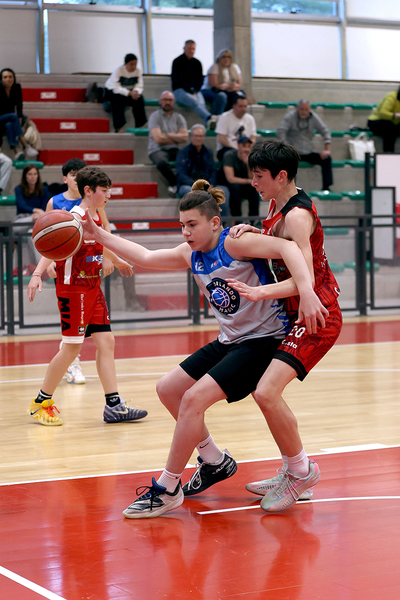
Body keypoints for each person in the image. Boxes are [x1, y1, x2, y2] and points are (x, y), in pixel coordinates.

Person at [79, 178, 328, 519]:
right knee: (168, 389)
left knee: (194, 399)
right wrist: (99, 234)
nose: (186, 232)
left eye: (192, 224)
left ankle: (168, 488)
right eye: (182, 225)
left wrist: (306, 289)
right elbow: (147, 256)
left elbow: (289, 249)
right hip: (231, 341)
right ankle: (214, 460)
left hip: (263, 340)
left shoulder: (236, 243)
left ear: (214, 222)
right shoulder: (191, 253)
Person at [227, 139, 342, 511]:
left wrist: (260, 293)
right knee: (265, 394)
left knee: (265, 392)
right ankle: (295, 470)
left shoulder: (296, 216)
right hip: (295, 313)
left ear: (281, 176)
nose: (253, 182)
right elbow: (280, 247)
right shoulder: (277, 204)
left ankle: (301, 473)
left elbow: (305, 279)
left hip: (317, 314)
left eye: (259, 176)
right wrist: (254, 231)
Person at [26, 166, 148, 427]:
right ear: (89, 191)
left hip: (93, 287)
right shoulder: (73, 218)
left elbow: (101, 243)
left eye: (110, 190)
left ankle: (114, 406)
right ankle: (40, 403)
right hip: (74, 289)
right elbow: (51, 246)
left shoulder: (96, 216)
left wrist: (118, 260)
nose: (109, 195)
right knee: (71, 348)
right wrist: (37, 273)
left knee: (107, 341)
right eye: (105, 190)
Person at [46, 158, 114, 385]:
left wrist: (111, 258)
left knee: (104, 339)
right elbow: (50, 240)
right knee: (72, 341)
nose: (108, 195)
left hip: (91, 279)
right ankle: (67, 373)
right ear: (66, 178)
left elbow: (105, 234)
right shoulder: (61, 206)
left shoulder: (96, 207)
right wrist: (44, 267)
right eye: (73, 174)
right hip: (71, 279)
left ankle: (112, 400)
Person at [276, 99, 333, 191]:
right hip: (294, 152)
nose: (304, 112)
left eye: (306, 109)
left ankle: (326, 188)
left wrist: (327, 149)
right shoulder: (290, 116)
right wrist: (286, 148)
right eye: (302, 109)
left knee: (327, 159)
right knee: (288, 163)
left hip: (308, 151)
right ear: (297, 108)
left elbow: (325, 131)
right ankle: (291, 189)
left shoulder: (313, 117)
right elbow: (280, 131)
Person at [175, 123, 229, 215]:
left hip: (207, 185)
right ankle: (195, 219)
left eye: (200, 136)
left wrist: (210, 184)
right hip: (189, 185)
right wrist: (197, 185)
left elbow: (213, 171)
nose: (198, 138)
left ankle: (221, 221)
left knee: (224, 191)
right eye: (196, 136)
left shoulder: (208, 152)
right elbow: (180, 174)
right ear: (191, 137)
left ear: (204, 137)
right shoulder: (183, 152)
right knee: (188, 191)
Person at [148, 90, 189, 197]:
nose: (167, 102)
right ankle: (174, 183)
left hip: (174, 149)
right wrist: (176, 137)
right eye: (165, 99)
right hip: (157, 149)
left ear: (174, 101)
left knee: (188, 160)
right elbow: (158, 139)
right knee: (162, 162)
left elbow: (185, 137)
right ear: (160, 101)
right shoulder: (154, 116)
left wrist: (168, 135)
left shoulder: (179, 117)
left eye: (170, 100)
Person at [171, 40, 214, 128]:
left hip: (195, 91)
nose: (191, 51)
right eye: (189, 49)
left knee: (201, 103)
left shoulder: (197, 63)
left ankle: (209, 123)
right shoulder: (177, 62)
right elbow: (179, 80)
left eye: (193, 49)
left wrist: (195, 91)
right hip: (180, 90)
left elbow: (200, 80)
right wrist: (191, 91)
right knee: (193, 101)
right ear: (184, 49)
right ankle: (210, 117)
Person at [14, 164, 50, 264]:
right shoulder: (18, 189)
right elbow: (22, 206)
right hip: (23, 220)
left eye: (35, 174)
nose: (33, 177)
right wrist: (35, 211)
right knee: (15, 227)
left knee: (32, 234)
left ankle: (39, 266)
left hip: (38, 221)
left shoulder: (44, 190)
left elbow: (44, 209)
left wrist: (38, 215)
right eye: (30, 174)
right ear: (25, 176)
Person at [103, 53, 147, 133]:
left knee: (139, 99)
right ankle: (118, 126)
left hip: (127, 92)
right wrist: (130, 93)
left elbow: (139, 85)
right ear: (125, 64)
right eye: (131, 64)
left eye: (135, 64)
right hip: (112, 91)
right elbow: (116, 87)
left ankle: (139, 124)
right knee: (117, 99)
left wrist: (136, 92)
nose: (133, 66)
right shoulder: (118, 70)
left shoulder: (138, 71)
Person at [0, 68, 38, 160]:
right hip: (1, 117)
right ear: (1, 79)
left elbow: (19, 106)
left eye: (10, 77)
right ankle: (25, 145)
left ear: (14, 78)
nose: (8, 79)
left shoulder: (16, 88)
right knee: (13, 116)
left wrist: (19, 125)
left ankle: (17, 152)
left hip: (10, 119)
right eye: (5, 77)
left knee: (9, 125)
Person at [220, 136, 259, 221]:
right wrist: (247, 181)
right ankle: (237, 219)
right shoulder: (229, 155)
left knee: (254, 188)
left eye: (248, 146)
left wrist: (248, 164)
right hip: (230, 185)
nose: (246, 149)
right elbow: (230, 179)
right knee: (235, 188)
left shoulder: (251, 157)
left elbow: (253, 178)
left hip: (244, 186)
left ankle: (254, 219)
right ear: (238, 146)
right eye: (244, 146)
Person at [201, 49, 244, 116]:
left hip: (228, 90)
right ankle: (217, 117)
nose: (226, 59)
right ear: (219, 58)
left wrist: (227, 86)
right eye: (223, 57)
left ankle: (233, 116)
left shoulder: (235, 67)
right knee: (222, 96)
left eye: (228, 57)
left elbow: (238, 84)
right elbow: (214, 86)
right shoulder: (215, 67)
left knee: (239, 95)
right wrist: (229, 86)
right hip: (211, 90)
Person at [215, 94, 257, 161]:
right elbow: (221, 139)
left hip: (246, 149)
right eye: (240, 106)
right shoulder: (225, 117)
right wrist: (237, 149)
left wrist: (247, 148)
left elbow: (253, 138)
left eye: (245, 106)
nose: (243, 109)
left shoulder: (250, 118)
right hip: (229, 148)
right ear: (234, 106)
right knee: (230, 154)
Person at [367, 86, 400, 152]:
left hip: (394, 123)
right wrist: (394, 115)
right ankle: (388, 153)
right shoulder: (392, 97)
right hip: (376, 122)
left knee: (392, 128)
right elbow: (382, 112)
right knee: (390, 128)